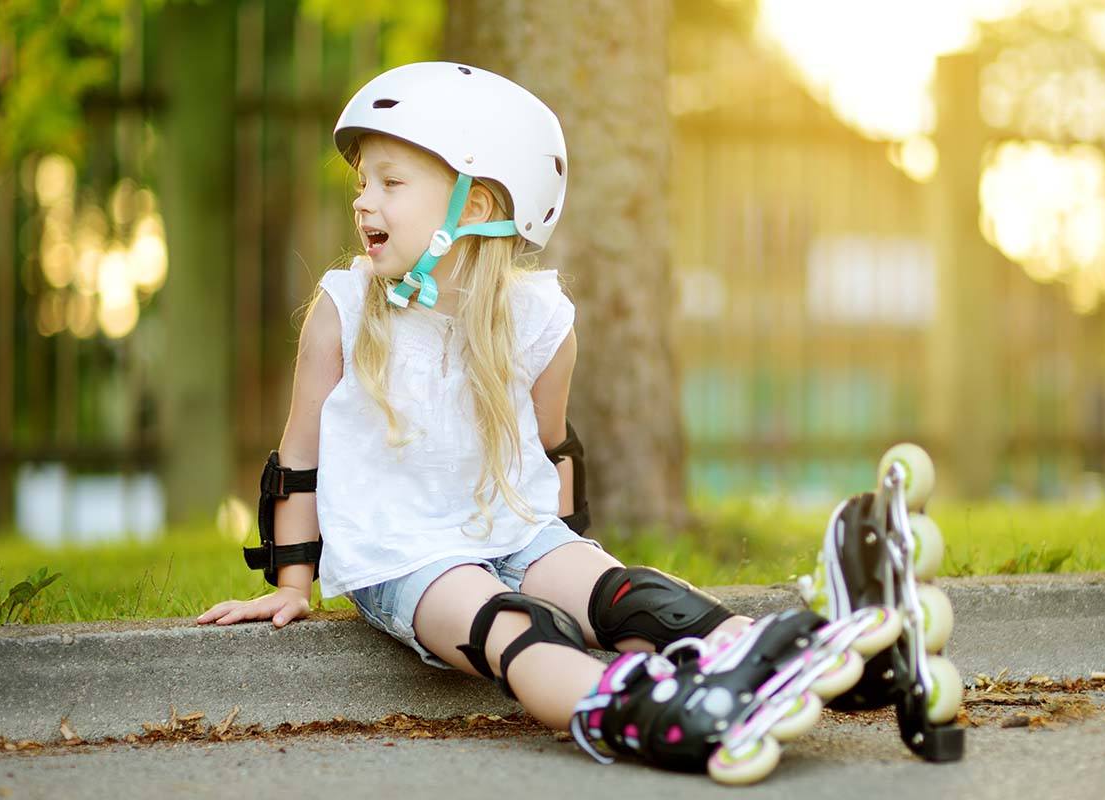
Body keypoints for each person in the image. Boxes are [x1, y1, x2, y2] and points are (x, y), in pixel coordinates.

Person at [196, 62, 900, 785]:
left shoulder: (538, 318)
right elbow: (300, 456)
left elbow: (554, 451)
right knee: (511, 625)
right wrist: (291, 586)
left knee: (629, 597)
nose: (363, 201)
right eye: (362, 184)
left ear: (475, 207)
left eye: (390, 183)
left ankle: (801, 655)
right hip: (403, 554)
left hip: (520, 527)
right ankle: (638, 711)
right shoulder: (344, 310)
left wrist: (571, 559)